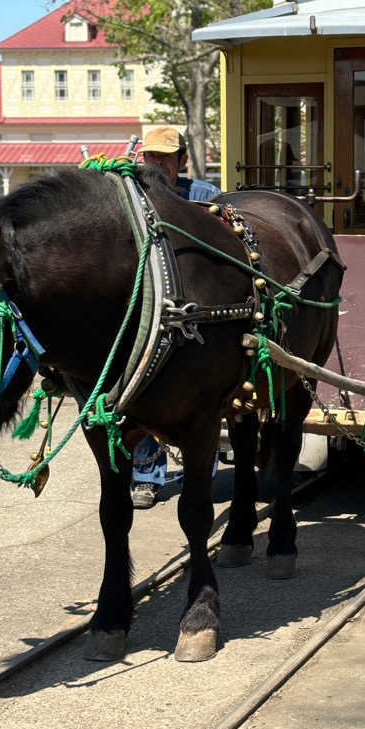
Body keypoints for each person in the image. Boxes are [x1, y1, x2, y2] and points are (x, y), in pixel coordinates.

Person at [131, 125, 221, 509]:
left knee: (203, 398)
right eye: (152, 157)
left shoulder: (205, 197)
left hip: (199, 311)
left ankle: (202, 473)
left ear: (182, 161)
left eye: (166, 158)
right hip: (149, 311)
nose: (158, 165)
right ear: (142, 159)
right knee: (143, 392)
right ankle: (146, 477)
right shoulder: (131, 194)